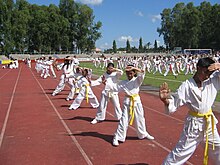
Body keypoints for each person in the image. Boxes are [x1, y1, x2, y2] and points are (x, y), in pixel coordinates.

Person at [159, 57, 220, 165]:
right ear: (198, 68)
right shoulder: (187, 85)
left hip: (209, 124)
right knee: (179, 154)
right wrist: (165, 100)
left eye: (210, 72)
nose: (207, 75)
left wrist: (218, 66)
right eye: (205, 71)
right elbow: (175, 101)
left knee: (218, 150)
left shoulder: (214, 78)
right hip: (194, 125)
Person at [112, 65, 154, 146]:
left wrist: (134, 68)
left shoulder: (137, 80)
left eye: (131, 73)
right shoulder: (123, 83)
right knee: (124, 120)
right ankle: (117, 137)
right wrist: (105, 83)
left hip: (137, 101)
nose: (129, 75)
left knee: (140, 118)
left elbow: (142, 72)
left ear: (134, 73)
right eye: (127, 73)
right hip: (127, 102)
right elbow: (114, 88)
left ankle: (143, 133)